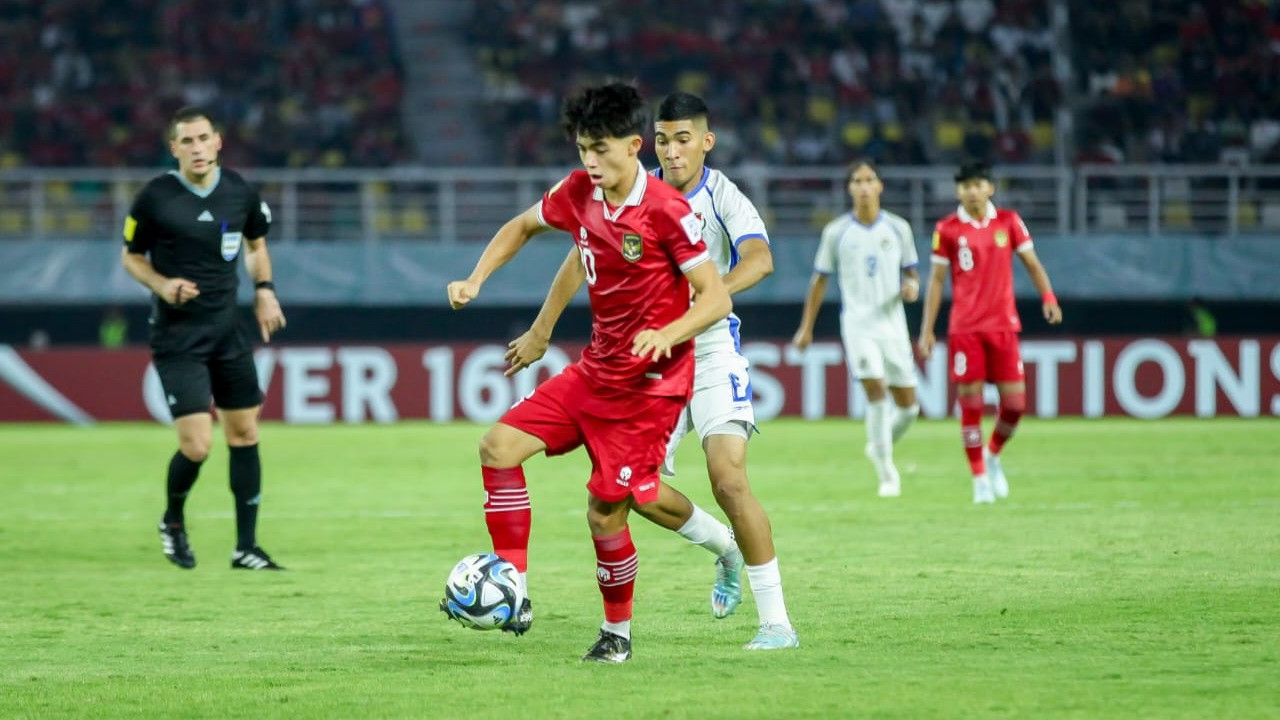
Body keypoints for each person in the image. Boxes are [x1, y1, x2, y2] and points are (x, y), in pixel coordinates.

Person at [442, 83, 732, 663]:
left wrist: (666, 334)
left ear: (633, 145)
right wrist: (479, 280)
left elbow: (715, 297)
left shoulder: (667, 211)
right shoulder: (580, 192)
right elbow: (524, 228)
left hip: (650, 388)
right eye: (581, 150)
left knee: (611, 508)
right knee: (497, 447)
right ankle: (514, 585)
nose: (589, 163)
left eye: (600, 150)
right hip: (595, 373)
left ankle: (621, 632)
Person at [503, 92, 798, 650]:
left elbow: (760, 260)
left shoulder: (723, 196)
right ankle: (725, 548)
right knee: (635, 493)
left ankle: (777, 623)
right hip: (644, 366)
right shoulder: (623, 188)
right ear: (648, 142)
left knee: (728, 478)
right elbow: (578, 256)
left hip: (707, 352)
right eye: (664, 139)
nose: (673, 150)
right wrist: (543, 327)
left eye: (684, 138)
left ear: (706, 141)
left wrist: (698, 302)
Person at [121, 106, 287, 569]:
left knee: (245, 432)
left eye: (202, 138)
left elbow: (256, 247)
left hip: (227, 331)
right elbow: (131, 257)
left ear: (218, 141)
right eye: (186, 141)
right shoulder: (155, 198)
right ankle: (172, 520)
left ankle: (246, 548)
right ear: (173, 148)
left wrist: (265, 291)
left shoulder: (239, 193)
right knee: (197, 445)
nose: (196, 148)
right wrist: (161, 285)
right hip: (178, 336)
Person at [917, 160, 1062, 503]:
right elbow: (936, 281)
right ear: (958, 191)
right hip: (965, 329)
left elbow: (1032, 263)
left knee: (1014, 404)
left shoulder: (1008, 222)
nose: (971, 191)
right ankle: (979, 478)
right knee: (972, 404)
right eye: (965, 186)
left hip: (1003, 327)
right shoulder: (948, 229)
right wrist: (927, 329)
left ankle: (992, 454)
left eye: (977, 184)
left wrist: (1048, 296)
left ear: (989, 188)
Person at [792, 161, 921, 498]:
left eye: (869, 180)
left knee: (909, 407)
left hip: (893, 326)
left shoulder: (898, 228)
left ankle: (879, 446)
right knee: (876, 393)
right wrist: (806, 328)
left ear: (880, 186)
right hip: (858, 325)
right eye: (857, 181)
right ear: (850, 189)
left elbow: (912, 274)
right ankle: (887, 474)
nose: (864, 186)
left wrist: (911, 289)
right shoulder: (836, 232)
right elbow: (819, 281)